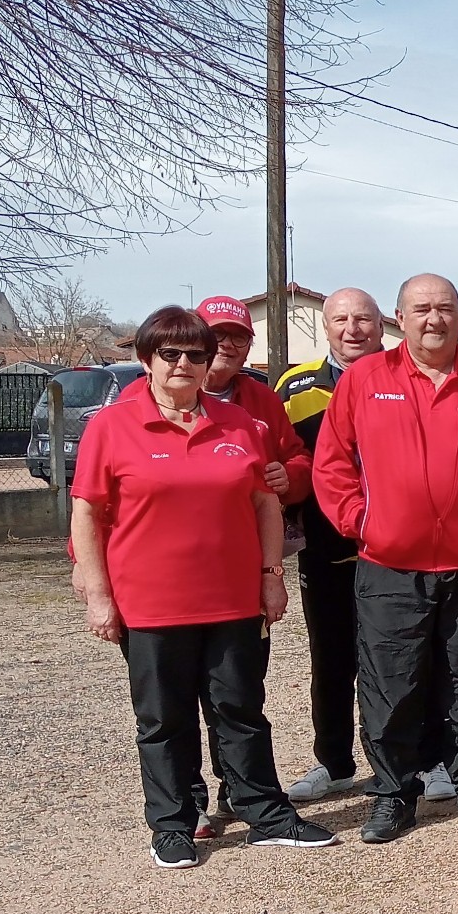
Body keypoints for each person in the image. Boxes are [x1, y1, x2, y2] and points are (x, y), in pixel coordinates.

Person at [69, 306, 334, 867]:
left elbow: (266, 504)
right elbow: (87, 514)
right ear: (147, 360)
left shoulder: (241, 424)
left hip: (232, 598)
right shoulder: (111, 426)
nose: (184, 364)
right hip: (151, 603)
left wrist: (271, 577)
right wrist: (98, 594)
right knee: (164, 718)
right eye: (170, 354)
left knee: (239, 708)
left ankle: (264, 811)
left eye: (196, 354)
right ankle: (173, 824)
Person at [312, 274, 458, 843]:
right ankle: (393, 794)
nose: (433, 319)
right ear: (399, 318)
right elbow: (332, 464)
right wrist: (360, 523)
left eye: (444, 309)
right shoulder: (366, 380)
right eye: (421, 310)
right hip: (389, 565)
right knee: (392, 684)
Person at [278, 288, 454, 806]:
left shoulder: (406, 375)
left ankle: (428, 758)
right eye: (341, 320)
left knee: (414, 660)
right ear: (326, 327)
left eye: (364, 319)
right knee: (331, 660)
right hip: (329, 549)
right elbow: (287, 460)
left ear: (384, 325)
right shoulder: (296, 386)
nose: (353, 329)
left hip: (401, 552)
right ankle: (333, 763)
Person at [188, 296, 314, 834]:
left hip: (244, 566)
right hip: (175, 569)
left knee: (238, 687)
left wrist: (292, 474)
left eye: (239, 337)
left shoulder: (262, 399)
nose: (229, 346)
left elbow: (299, 458)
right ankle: (185, 798)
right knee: (172, 696)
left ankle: (237, 789)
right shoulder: (142, 399)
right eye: (218, 336)